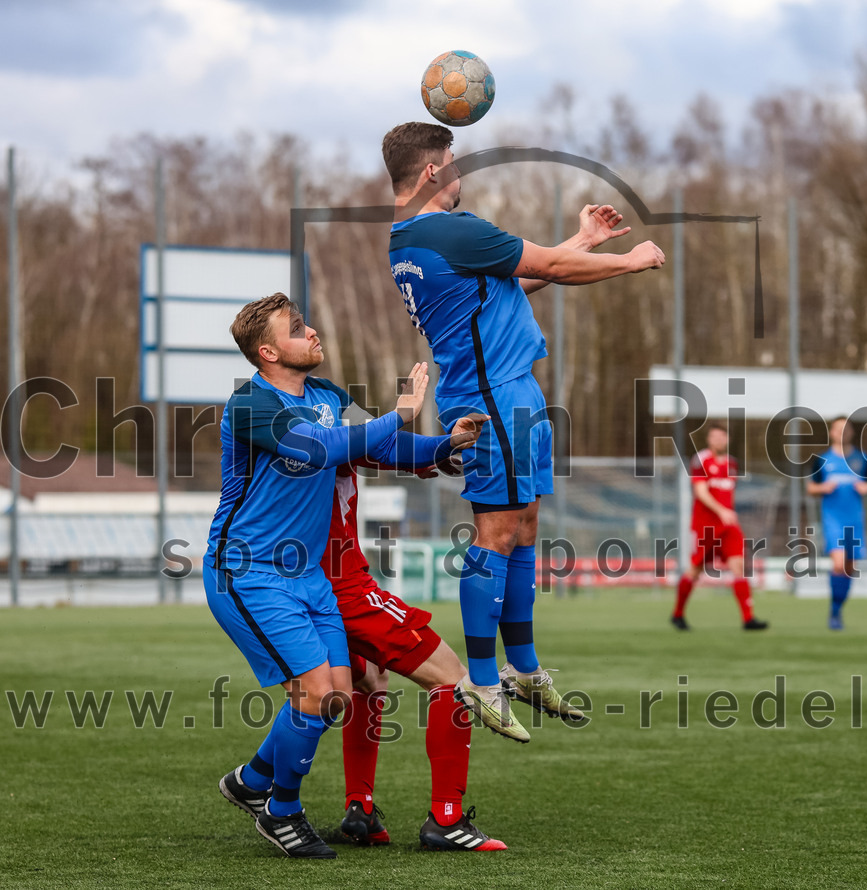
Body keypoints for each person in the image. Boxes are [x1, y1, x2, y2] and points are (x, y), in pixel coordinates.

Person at [382, 121, 666, 741]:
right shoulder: (450, 230)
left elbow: (517, 280)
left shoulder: (411, 238)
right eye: (453, 161)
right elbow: (551, 268)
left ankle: (525, 669)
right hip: (492, 400)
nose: (459, 172)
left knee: (525, 525)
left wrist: (584, 240)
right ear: (432, 171)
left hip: (511, 391)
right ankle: (483, 681)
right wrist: (628, 261)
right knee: (498, 532)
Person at [206, 292, 482, 858]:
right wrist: (398, 412)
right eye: (296, 327)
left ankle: (252, 782)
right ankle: (282, 812)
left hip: (310, 576)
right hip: (249, 570)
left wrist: (445, 445)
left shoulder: (327, 396)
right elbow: (316, 449)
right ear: (267, 352)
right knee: (315, 691)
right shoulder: (251, 404)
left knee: (337, 697)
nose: (311, 331)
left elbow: (380, 447)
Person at [324, 457, 506, 851]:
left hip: (305, 587)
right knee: (454, 679)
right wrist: (432, 450)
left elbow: (359, 446)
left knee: (367, 678)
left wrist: (422, 455)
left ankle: (358, 807)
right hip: (344, 587)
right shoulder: (318, 427)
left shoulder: (274, 438)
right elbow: (363, 443)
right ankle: (446, 818)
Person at [671, 422, 769, 631]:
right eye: (714, 437)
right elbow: (701, 492)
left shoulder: (732, 463)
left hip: (728, 526)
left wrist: (728, 513)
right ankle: (677, 614)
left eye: (722, 437)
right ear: (708, 439)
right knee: (695, 570)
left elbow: (727, 493)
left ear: (728, 439)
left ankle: (748, 619)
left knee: (738, 566)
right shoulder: (700, 460)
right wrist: (721, 510)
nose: (718, 440)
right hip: (705, 526)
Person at [806, 416, 867, 630]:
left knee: (849, 568)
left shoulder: (862, 458)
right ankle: (834, 613)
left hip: (855, 521)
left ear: (852, 432)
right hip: (833, 520)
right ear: (832, 432)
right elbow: (811, 488)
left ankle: (837, 609)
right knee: (838, 564)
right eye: (838, 429)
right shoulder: (823, 460)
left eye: (846, 429)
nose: (842, 432)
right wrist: (822, 488)